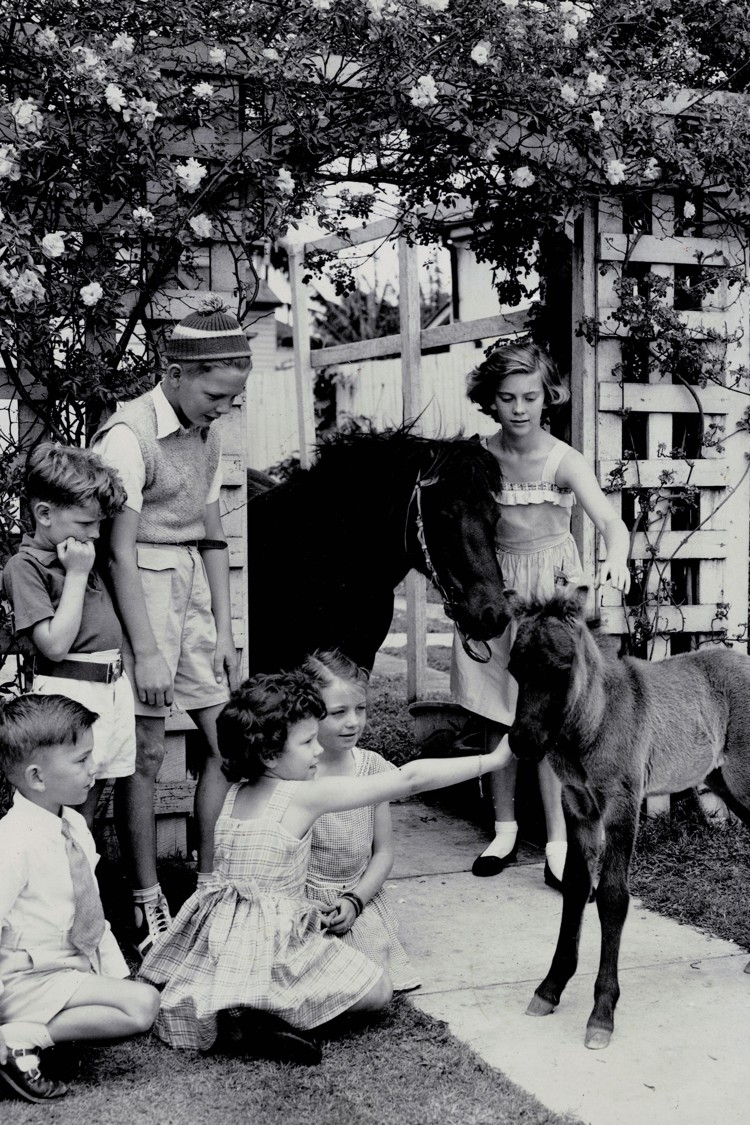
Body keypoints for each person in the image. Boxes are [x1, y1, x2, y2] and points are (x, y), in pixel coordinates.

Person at [138, 670, 508, 1064]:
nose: (318, 751)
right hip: (274, 943)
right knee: (379, 989)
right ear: (269, 754)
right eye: (307, 742)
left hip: (225, 936)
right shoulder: (301, 796)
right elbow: (410, 780)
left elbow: (255, 886)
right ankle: (270, 1015)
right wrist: (494, 759)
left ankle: (241, 1009)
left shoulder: (233, 794)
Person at [92, 300, 252, 959]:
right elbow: (116, 552)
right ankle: (145, 899)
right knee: (145, 753)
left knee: (232, 743)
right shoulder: (127, 436)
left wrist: (226, 633)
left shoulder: (207, 432)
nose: (224, 409)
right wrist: (148, 651)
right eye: (216, 395)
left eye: (234, 398)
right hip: (141, 596)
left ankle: (212, 886)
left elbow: (212, 537)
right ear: (178, 374)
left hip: (191, 593)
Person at [451, 342, 631, 887]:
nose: (519, 408)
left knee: (549, 710)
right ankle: (504, 830)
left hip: (551, 592)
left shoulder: (562, 459)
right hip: (496, 590)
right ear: (490, 399)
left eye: (530, 397)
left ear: (547, 396)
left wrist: (616, 559)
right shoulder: (478, 457)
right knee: (494, 709)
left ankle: (557, 842)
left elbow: (611, 522)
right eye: (507, 397)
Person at [0, 694, 159, 1104]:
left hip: (62, 972)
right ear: (37, 777)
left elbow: (90, 909)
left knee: (138, 996)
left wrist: (115, 977)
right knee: (142, 1005)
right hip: (22, 982)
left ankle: (37, 1035)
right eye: (81, 760)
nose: (94, 768)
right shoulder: (12, 843)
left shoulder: (71, 824)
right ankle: (17, 1039)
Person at [1, 442, 134, 829]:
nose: (95, 534)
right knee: (67, 807)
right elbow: (54, 646)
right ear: (44, 514)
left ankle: (83, 867)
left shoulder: (78, 551)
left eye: (99, 524)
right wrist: (76, 574)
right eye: (85, 523)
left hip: (110, 688)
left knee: (88, 798)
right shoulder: (26, 566)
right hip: (69, 692)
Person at [301, 650, 420, 992]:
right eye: (339, 713)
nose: (353, 722)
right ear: (307, 713)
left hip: (356, 895)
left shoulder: (371, 768)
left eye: (360, 709)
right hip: (303, 899)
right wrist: (301, 905)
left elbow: (383, 852)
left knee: (370, 976)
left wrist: (356, 900)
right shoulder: (296, 772)